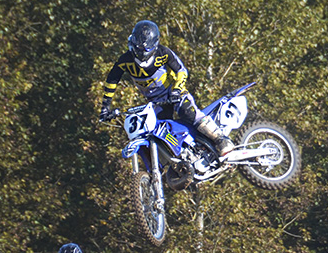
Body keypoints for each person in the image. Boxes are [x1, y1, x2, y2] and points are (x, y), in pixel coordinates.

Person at [99, 20, 233, 155]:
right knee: (155, 132)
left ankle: (221, 139)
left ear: (155, 44)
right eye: (139, 48)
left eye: (145, 49)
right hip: (155, 102)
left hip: (174, 93)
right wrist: (105, 107)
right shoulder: (125, 60)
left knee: (189, 112)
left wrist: (177, 90)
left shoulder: (163, 53)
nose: (142, 53)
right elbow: (112, 81)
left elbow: (181, 70)